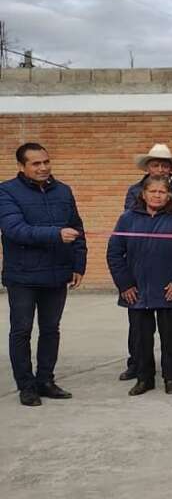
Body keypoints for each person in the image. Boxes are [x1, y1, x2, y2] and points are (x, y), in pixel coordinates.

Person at [1, 143, 86, 406]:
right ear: (22, 167)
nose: (43, 167)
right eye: (36, 163)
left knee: (51, 330)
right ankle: (26, 386)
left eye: (46, 162)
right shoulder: (6, 192)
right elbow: (15, 229)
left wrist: (78, 264)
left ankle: (46, 380)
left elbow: (77, 228)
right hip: (22, 276)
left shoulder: (63, 191)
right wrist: (55, 234)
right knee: (22, 330)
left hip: (57, 273)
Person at [107, 174, 172, 396]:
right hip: (137, 291)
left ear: (169, 194)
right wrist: (125, 285)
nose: (157, 195)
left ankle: (171, 377)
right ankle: (144, 378)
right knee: (141, 339)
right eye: (152, 191)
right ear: (143, 194)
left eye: (162, 191)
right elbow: (114, 253)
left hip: (169, 290)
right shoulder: (127, 219)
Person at [120, 144, 172, 378]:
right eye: (155, 164)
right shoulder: (134, 190)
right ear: (148, 167)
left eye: (164, 165)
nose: (160, 169)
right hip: (141, 265)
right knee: (139, 329)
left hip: (171, 261)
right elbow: (130, 222)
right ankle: (138, 367)